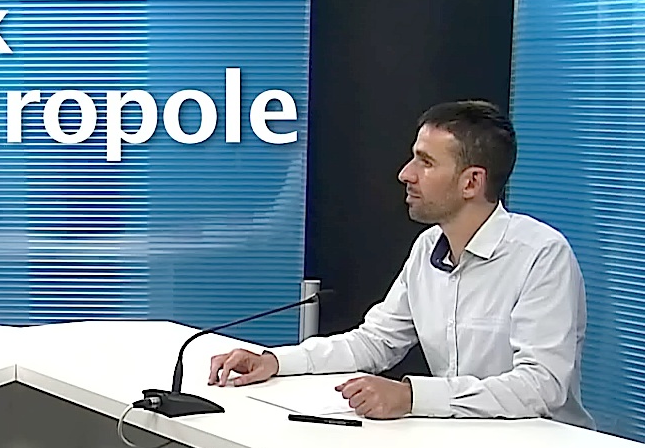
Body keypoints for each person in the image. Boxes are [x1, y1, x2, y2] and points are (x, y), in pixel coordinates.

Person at [207, 100, 593, 429]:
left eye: (425, 163)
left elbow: (540, 385)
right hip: (464, 438)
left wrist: (412, 396)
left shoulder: (541, 255)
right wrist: (275, 361)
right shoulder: (428, 248)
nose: (405, 174)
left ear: (471, 182)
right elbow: (375, 342)